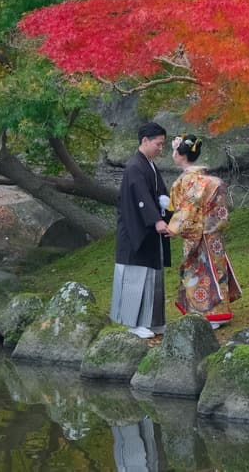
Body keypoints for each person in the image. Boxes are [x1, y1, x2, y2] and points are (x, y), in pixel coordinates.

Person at [165, 133, 241, 329]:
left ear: (181, 155)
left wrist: (173, 228)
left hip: (197, 234)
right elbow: (222, 210)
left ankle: (209, 314)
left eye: (174, 151)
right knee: (217, 270)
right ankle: (221, 311)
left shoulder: (185, 182)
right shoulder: (213, 180)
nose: (173, 155)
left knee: (199, 273)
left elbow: (186, 210)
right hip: (214, 234)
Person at [111, 121, 172, 339]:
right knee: (135, 276)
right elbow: (141, 198)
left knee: (153, 277)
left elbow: (158, 193)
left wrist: (167, 209)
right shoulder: (135, 167)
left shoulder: (149, 166)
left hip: (149, 233)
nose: (161, 148)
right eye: (158, 144)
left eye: (163, 144)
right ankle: (133, 323)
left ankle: (153, 322)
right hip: (135, 232)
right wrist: (156, 220)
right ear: (145, 141)